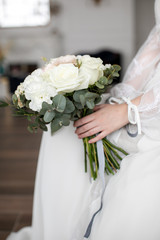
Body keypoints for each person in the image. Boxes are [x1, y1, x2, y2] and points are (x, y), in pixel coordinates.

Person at [7, 0, 160, 239]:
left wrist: (127, 111)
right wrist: (118, 98)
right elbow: (154, 46)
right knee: (60, 133)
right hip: (149, 91)